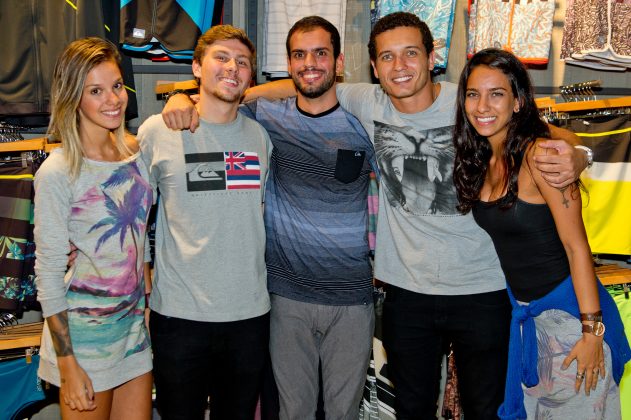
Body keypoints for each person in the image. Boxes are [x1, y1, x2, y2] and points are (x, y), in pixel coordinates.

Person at [161, 12, 589, 419]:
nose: (399, 66)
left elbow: (543, 128)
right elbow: (282, 88)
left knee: (485, 407)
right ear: (372, 64)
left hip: (479, 289)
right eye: (387, 56)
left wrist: (578, 153)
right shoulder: (360, 101)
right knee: (408, 408)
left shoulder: (469, 101)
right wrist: (190, 94)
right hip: (400, 293)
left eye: (410, 53)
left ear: (431, 58)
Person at [164, 16, 377, 420]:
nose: (309, 63)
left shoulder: (362, 123)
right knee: (291, 412)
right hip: (284, 298)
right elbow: (222, 101)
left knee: (344, 413)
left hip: (350, 298)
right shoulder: (267, 120)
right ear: (288, 62)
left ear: (339, 60)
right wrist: (182, 97)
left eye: (320, 53)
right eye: (299, 54)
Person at [452, 48, 630, 419]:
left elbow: (577, 247)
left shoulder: (540, 157)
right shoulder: (485, 157)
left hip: (572, 319)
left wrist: (591, 332)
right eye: (473, 94)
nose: (482, 105)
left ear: (517, 102)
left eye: (496, 93)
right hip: (530, 319)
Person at [137, 25, 272, 420]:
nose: (233, 67)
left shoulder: (260, 137)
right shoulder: (157, 131)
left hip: (248, 317)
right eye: (222, 57)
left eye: (243, 62)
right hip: (179, 316)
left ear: (250, 76)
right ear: (196, 67)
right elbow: (133, 222)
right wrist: (145, 296)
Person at [34, 37, 153, 419]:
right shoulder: (59, 171)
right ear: (74, 98)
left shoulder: (136, 154)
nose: (113, 100)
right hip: (84, 338)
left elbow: (140, 237)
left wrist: (147, 301)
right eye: (96, 91)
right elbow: (48, 274)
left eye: (116, 86)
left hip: (133, 331)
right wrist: (67, 365)